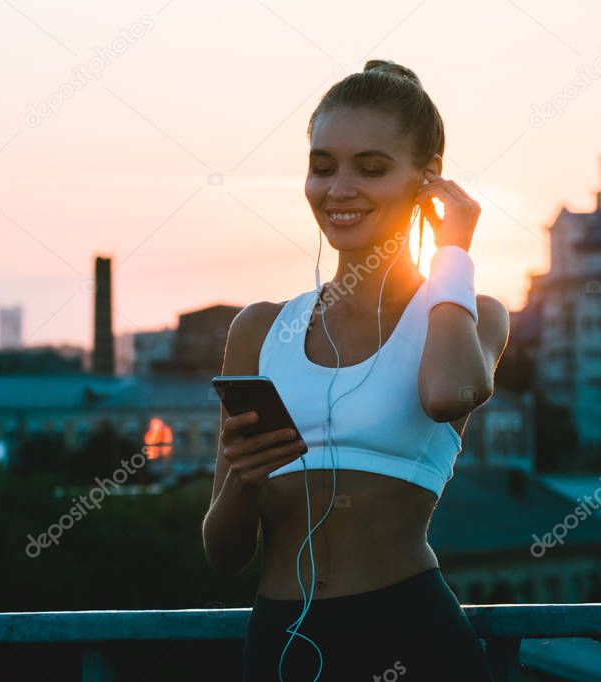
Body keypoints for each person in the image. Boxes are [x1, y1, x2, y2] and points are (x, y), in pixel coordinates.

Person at [202, 59, 509, 682]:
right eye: (322, 166)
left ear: (428, 183)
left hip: (410, 636)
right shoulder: (259, 329)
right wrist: (243, 475)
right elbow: (223, 553)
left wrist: (453, 249)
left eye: (371, 168)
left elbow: (450, 392)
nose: (339, 188)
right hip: (282, 641)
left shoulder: (468, 315)